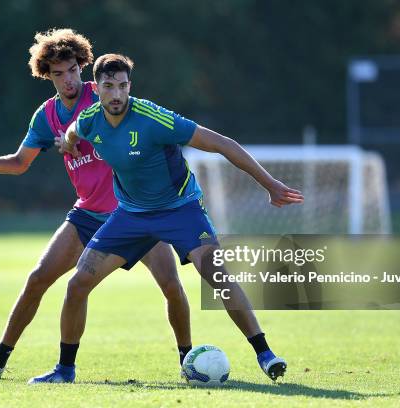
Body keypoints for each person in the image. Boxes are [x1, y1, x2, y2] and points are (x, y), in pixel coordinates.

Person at [38, 53, 304, 383]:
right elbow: (75, 130)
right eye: (109, 86)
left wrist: (270, 184)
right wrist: (67, 143)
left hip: (181, 210)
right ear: (98, 88)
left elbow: (221, 143)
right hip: (131, 215)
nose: (117, 94)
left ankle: (265, 354)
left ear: (129, 86)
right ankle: (65, 370)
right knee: (78, 284)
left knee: (217, 276)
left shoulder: (153, 118)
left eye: (123, 86)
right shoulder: (91, 118)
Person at [0, 30, 192, 382]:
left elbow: (130, 126)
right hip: (89, 213)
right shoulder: (46, 116)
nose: (69, 79)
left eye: (73, 70)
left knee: (170, 284)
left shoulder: (104, 94)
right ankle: (0, 362)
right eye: (58, 73)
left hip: (135, 212)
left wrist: (79, 134)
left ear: (83, 67)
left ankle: (188, 362)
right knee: (37, 279)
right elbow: (19, 162)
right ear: (47, 76)